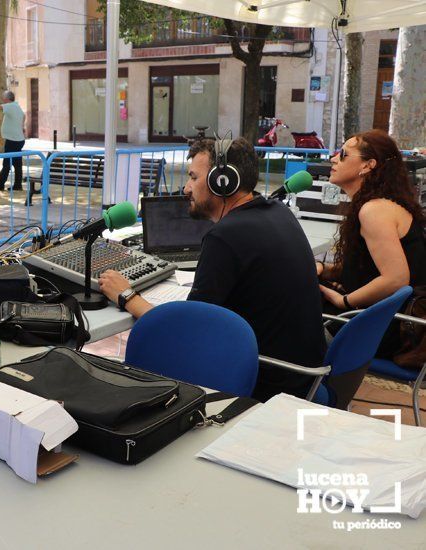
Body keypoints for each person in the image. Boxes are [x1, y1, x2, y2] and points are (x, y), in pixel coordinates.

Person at [99, 138, 327, 401]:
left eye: (193, 177)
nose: (186, 188)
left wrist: (127, 295)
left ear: (223, 181)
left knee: (132, 357)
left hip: (266, 382)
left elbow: (186, 330)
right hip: (302, 374)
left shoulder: (226, 236)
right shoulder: (277, 211)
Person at [317, 129, 426, 357]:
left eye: (344, 154)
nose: (333, 158)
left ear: (368, 166)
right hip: (390, 322)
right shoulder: (380, 204)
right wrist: (326, 271)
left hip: (391, 330)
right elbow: (368, 270)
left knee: (286, 302)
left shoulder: (374, 210)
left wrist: (344, 301)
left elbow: (396, 278)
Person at [0, 91, 26, 193]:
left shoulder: (10, 106)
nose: (2, 100)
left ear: (7, 99)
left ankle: (0, 184)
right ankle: (17, 185)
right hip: (18, 139)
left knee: (7, 163)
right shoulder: (17, 107)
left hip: (13, 140)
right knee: (17, 164)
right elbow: (23, 117)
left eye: (3, 98)